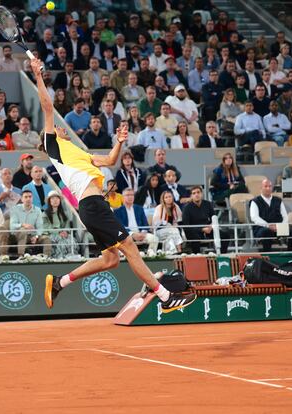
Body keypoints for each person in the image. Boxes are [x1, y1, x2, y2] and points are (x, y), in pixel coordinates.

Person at [31, 57, 195, 312]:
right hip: (92, 205)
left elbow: (108, 159)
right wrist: (38, 75)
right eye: (57, 129)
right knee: (129, 246)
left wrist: (119, 141)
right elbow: (47, 107)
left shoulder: (79, 152)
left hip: (93, 205)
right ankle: (165, 296)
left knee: (110, 260)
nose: (61, 128)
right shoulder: (53, 145)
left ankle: (59, 283)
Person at [182, 186, 229, 254]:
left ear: (202, 194)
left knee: (225, 235)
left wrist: (211, 226)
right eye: (194, 193)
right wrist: (202, 229)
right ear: (191, 196)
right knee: (194, 238)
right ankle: (197, 256)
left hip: (208, 230)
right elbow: (186, 226)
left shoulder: (207, 204)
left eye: (198, 192)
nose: (196, 195)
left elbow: (214, 217)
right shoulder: (187, 208)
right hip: (194, 231)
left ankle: (222, 255)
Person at [250, 179, 292, 251]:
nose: (268, 188)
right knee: (267, 232)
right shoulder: (255, 201)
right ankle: (267, 255)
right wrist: (268, 225)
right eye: (265, 186)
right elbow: (254, 217)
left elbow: (285, 216)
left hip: (278, 227)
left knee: (291, 230)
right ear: (261, 188)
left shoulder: (278, 200)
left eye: (270, 186)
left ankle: (289, 254)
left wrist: (280, 226)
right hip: (262, 228)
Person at [9, 189, 52, 257]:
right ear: (21, 199)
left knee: (46, 239)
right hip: (17, 235)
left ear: (32, 198)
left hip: (32, 236)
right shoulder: (15, 209)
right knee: (23, 231)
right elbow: (12, 226)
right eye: (26, 197)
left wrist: (36, 236)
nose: (28, 199)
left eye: (30, 197)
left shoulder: (37, 210)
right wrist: (23, 225)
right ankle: (21, 256)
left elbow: (40, 227)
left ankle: (47, 258)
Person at [114, 188, 158, 252]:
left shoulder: (139, 208)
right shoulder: (117, 211)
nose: (130, 197)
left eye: (132, 195)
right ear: (123, 197)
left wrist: (142, 233)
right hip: (127, 234)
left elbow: (145, 224)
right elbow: (120, 227)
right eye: (128, 195)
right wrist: (132, 234)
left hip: (141, 233)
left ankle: (150, 256)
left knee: (154, 239)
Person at [43, 191, 78, 258]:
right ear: (49, 201)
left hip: (63, 234)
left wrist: (65, 231)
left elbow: (67, 225)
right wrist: (59, 232)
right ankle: (60, 257)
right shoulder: (45, 214)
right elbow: (46, 227)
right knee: (61, 241)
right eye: (52, 198)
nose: (55, 200)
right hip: (51, 235)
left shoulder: (64, 214)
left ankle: (72, 256)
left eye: (57, 198)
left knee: (71, 239)